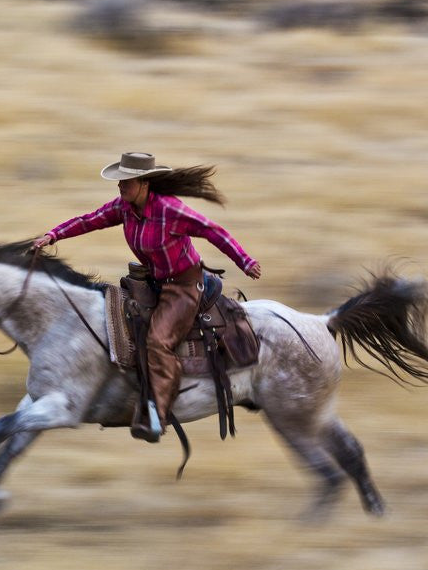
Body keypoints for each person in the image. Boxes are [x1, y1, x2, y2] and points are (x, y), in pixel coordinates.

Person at [33, 152, 261, 443]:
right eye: (120, 181)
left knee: (157, 341)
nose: (120, 186)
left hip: (183, 287)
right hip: (151, 282)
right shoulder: (124, 207)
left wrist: (244, 260)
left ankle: (157, 413)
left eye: (126, 181)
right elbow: (89, 220)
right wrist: (53, 235)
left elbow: (213, 231)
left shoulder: (170, 210)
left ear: (144, 183)